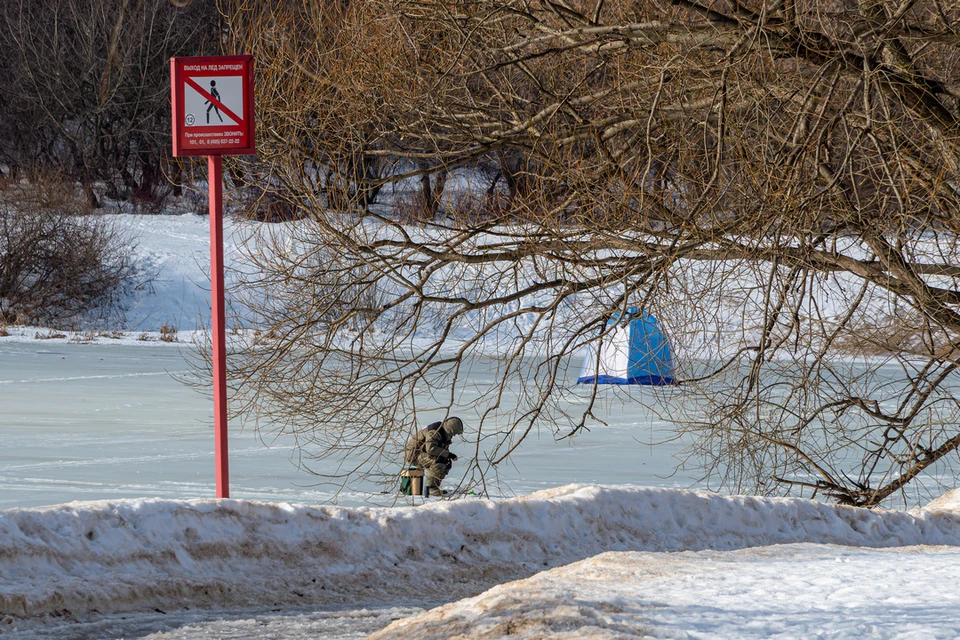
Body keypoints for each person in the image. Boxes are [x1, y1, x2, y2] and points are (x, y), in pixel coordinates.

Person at [404, 417, 463, 495]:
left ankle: (435, 486)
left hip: (424, 453)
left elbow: (441, 449)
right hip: (413, 454)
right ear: (450, 429)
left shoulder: (445, 433)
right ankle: (430, 489)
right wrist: (449, 454)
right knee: (437, 462)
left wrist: (448, 456)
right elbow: (431, 449)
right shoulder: (434, 432)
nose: (454, 435)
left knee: (447, 462)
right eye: (454, 433)